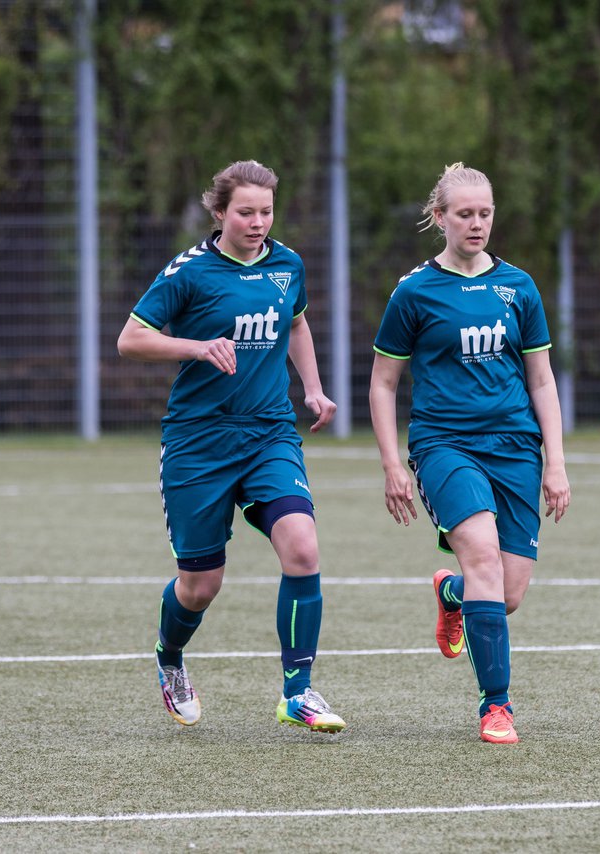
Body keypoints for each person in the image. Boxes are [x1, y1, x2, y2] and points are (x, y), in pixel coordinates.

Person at [118, 159, 346, 733]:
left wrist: (314, 390)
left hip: (269, 432)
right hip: (198, 441)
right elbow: (131, 340)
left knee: (303, 549)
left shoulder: (287, 264)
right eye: (246, 212)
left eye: (266, 211)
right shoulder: (190, 272)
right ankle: (170, 657)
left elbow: (295, 324)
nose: (258, 222)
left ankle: (299, 692)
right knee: (201, 585)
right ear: (219, 212)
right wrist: (196, 347)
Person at [369, 162, 571, 744]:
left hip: (516, 448)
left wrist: (555, 461)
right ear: (440, 219)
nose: (477, 224)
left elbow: (540, 379)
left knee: (505, 594)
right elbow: (384, 384)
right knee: (481, 554)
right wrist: (391, 464)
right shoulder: (414, 292)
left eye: (485, 213)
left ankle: (451, 593)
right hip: (444, 445)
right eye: (465, 214)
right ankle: (496, 707)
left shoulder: (519, 287)